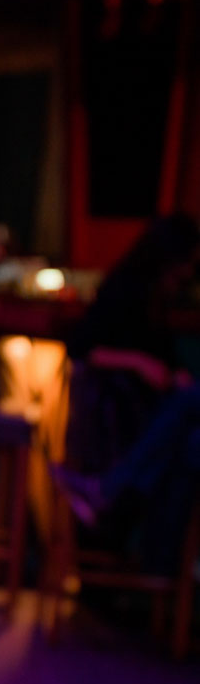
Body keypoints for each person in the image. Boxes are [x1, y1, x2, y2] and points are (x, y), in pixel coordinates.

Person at [54, 213, 200, 569]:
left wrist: (174, 374)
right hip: (120, 412)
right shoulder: (127, 288)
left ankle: (157, 570)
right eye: (189, 261)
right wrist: (139, 364)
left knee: (193, 444)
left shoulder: (158, 298)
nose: (190, 271)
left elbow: (164, 355)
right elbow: (81, 346)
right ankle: (158, 569)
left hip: (146, 412)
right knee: (190, 428)